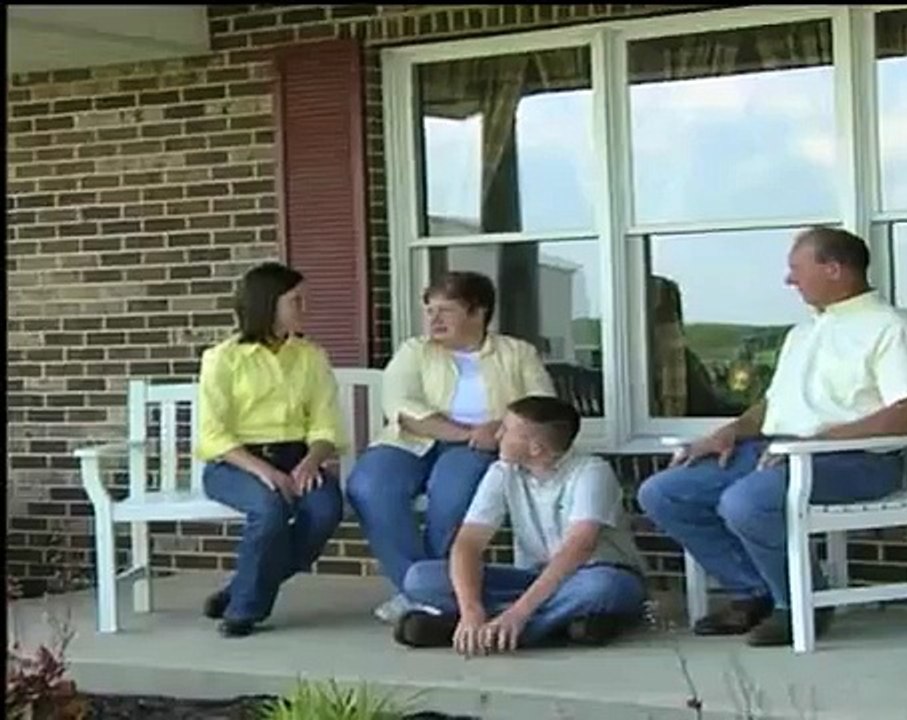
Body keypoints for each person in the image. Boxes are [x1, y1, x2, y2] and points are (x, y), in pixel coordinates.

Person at [638, 227, 907, 647]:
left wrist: (818, 441)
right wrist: (730, 431)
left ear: (834, 269)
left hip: (856, 460)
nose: (788, 280)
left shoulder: (892, 329)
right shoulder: (802, 333)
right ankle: (755, 591)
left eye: (797, 269)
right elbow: (774, 406)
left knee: (746, 502)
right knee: (665, 492)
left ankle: (798, 604)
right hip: (776, 450)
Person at [345, 271, 556, 625]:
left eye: (446, 310)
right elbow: (402, 407)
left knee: (453, 494)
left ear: (478, 313)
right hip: (410, 440)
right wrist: (468, 431)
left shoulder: (517, 353)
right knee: (369, 487)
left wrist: (501, 429)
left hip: (479, 448)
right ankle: (422, 592)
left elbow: (542, 408)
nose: (434, 319)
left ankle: (427, 591)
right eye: (429, 310)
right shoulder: (415, 351)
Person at [393, 395, 648, 653]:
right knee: (421, 578)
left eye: (506, 429)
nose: (497, 435)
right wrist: (471, 609)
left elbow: (578, 548)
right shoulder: (502, 472)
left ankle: (492, 632)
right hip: (532, 579)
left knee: (601, 588)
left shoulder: (591, 472)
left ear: (535, 448)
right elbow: (468, 542)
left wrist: (519, 613)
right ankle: (560, 624)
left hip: (595, 574)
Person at [196, 262, 345, 638]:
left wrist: (312, 460)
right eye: (296, 300)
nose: (304, 308)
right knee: (270, 510)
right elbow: (212, 434)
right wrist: (265, 472)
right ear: (269, 304)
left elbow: (326, 424)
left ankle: (239, 589)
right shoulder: (222, 359)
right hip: (236, 463)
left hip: (298, 459)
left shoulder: (311, 356)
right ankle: (244, 611)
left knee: (325, 509)